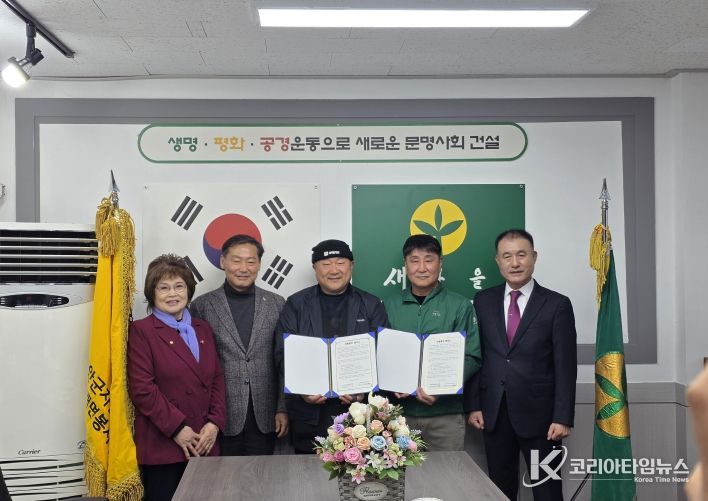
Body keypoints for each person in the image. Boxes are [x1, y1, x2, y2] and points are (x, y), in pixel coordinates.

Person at [465, 229, 577, 501]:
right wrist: (474, 404)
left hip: (542, 418)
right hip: (494, 412)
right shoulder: (483, 301)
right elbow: (478, 356)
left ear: (534, 257)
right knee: (500, 489)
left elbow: (566, 365)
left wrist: (562, 417)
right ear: (498, 261)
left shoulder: (557, 304)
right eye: (507, 256)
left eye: (521, 255)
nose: (514, 263)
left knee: (547, 491)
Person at [275, 239, 388, 454]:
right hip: (308, 415)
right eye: (326, 264)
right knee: (307, 472)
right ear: (315, 268)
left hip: (358, 418)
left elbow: (383, 354)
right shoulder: (296, 304)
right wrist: (302, 390)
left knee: (355, 472)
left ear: (351, 265)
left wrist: (362, 392)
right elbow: (282, 354)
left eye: (340, 263)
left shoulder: (371, 304)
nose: (334, 270)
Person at [128, 254, 226, 501]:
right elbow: (142, 389)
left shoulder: (203, 328)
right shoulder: (141, 331)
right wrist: (178, 429)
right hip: (164, 447)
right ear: (152, 293)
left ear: (188, 291)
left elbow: (216, 378)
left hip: (204, 442)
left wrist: (214, 424)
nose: (172, 294)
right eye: (164, 288)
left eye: (179, 286)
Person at [190, 234, 288, 456]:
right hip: (220, 416)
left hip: (266, 415)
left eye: (251, 261)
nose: (244, 268)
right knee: (221, 476)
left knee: (264, 474)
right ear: (223, 262)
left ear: (259, 264)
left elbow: (284, 362)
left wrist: (282, 407)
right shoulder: (202, 306)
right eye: (236, 260)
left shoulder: (277, 304)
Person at [383, 234, 482, 451]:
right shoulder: (388, 305)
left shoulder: (460, 305)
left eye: (429, 260)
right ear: (405, 265)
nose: (422, 268)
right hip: (398, 416)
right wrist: (391, 382)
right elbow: (378, 355)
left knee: (447, 471)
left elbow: (472, 356)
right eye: (414, 260)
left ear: (440, 263)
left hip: (445, 415)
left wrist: (440, 388)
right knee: (399, 472)